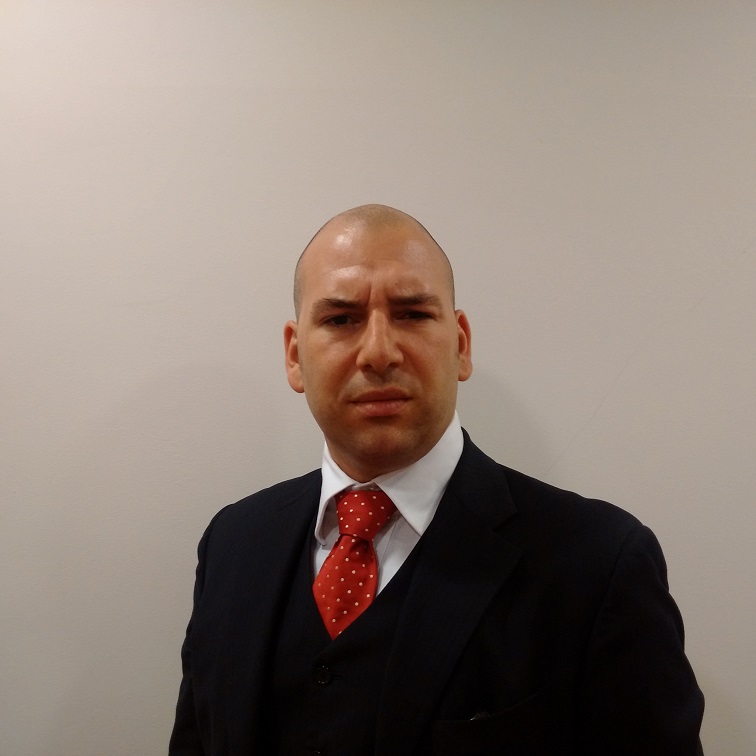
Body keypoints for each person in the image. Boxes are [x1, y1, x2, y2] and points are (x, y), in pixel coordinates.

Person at [169, 204, 704, 755]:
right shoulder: (232, 545)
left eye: (412, 314)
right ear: (294, 355)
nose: (379, 352)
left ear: (461, 344)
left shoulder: (599, 563)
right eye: (341, 320)